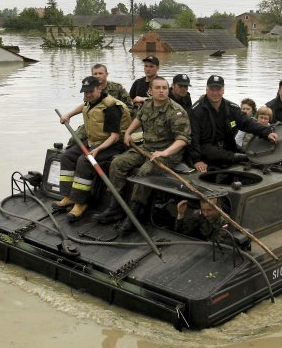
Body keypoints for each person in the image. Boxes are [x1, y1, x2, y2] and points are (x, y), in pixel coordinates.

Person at [102, 76, 191, 232]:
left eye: (164, 88)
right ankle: (115, 207)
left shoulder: (176, 112)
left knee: (145, 172)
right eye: (158, 88)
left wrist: (164, 152)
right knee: (118, 163)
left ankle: (133, 215)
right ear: (150, 91)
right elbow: (138, 118)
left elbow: (182, 139)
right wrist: (128, 132)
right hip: (146, 147)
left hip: (168, 153)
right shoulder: (148, 105)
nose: (162, 91)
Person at [55, 76, 131, 222]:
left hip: (112, 144)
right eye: (85, 92)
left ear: (99, 89)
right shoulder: (91, 101)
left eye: (90, 91)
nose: (88, 95)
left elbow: (114, 136)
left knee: (84, 161)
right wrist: (68, 115)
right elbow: (84, 106)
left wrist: (97, 150)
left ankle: (80, 203)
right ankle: (68, 196)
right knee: (68, 156)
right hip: (94, 140)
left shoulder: (111, 108)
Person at [191, 75, 278, 171]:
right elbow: (193, 137)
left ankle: (246, 157)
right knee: (216, 152)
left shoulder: (231, 108)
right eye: (212, 89)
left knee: (245, 152)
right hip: (206, 147)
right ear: (206, 90)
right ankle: (242, 158)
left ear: (223, 90)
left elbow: (247, 123)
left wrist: (267, 133)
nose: (215, 93)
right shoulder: (197, 110)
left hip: (227, 145)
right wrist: (196, 160)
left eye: (218, 89)